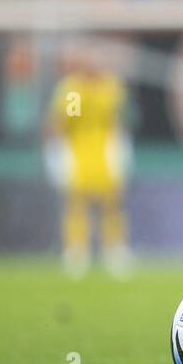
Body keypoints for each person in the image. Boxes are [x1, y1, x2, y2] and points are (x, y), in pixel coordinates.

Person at [44, 50, 133, 278]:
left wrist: (122, 149)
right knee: (77, 203)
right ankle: (77, 252)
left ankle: (115, 251)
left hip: (106, 150)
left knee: (112, 202)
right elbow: (61, 122)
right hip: (77, 152)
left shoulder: (112, 86)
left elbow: (119, 119)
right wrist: (55, 150)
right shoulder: (72, 89)